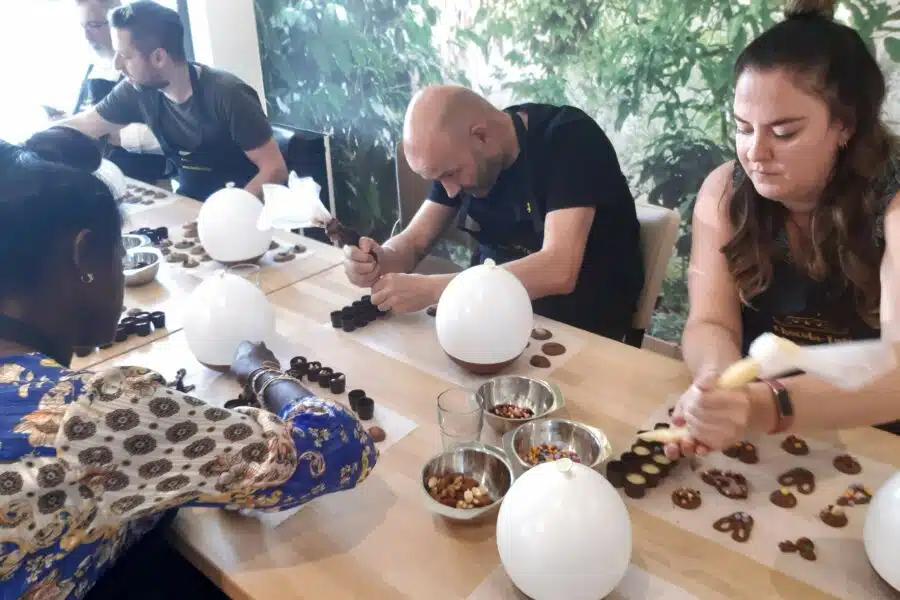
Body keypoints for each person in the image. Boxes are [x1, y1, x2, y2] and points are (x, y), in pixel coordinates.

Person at [0, 141, 376, 598]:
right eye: (119, 255)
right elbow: (339, 446)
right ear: (87, 256)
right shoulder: (88, 416)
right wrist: (262, 372)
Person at [668, 0, 900, 459]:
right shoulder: (725, 192)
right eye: (743, 128)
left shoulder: (892, 203)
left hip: (877, 444)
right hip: (764, 438)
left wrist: (762, 406)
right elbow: (711, 321)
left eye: (784, 132)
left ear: (845, 125)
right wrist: (717, 386)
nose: (755, 153)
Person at [343, 85, 644, 342]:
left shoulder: (569, 139)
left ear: (482, 137)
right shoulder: (457, 156)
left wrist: (437, 289)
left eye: (450, 173)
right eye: (438, 178)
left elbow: (559, 269)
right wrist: (380, 260)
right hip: (490, 315)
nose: (449, 191)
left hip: (577, 327)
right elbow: (414, 242)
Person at [60, 1, 287, 200]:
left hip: (244, 212)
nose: (117, 65)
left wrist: (225, 212)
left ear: (159, 57)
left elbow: (275, 169)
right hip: (189, 202)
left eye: (126, 56)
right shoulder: (136, 90)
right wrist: (40, 141)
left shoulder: (228, 94)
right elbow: (85, 124)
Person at [71, 0, 169, 185]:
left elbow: (179, 133)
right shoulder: (93, 69)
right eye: (83, 26)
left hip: (147, 179)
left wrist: (115, 135)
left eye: (94, 25)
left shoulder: (149, 69)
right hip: (104, 176)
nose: (86, 35)